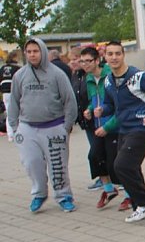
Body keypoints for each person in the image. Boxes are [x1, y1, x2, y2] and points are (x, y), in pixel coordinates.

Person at [95, 41, 145, 223]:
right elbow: (112, 105)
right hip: (123, 129)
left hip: (142, 128)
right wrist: (102, 110)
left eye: (117, 54)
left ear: (123, 55)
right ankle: (140, 206)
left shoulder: (138, 77)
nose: (114, 57)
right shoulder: (109, 81)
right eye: (110, 54)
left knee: (121, 166)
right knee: (131, 168)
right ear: (105, 57)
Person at [7, 38, 78, 213]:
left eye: (35, 51)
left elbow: (69, 100)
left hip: (54, 126)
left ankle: (63, 196)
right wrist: (15, 128)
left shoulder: (57, 74)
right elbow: (14, 102)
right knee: (31, 162)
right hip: (28, 127)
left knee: (58, 165)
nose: (32, 54)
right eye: (29, 51)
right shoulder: (20, 75)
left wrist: (67, 125)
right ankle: (39, 193)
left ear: (43, 52)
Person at [79, 46, 121, 210]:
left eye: (88, 61)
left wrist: (108, 122)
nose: (85, 64)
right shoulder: (89, 79)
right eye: (82, 61)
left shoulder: (110, 75)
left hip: (113, 126)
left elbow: (115, 103)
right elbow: (93, 101)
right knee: (94, 156)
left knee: (115, 163)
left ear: (97, 60)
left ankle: (131, 196)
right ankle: (109, 190)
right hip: (98, 126)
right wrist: (89, 110)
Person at [1, 49, 21, 140]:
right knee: (18, 112)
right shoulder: (17, 68)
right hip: (14, 91)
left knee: (9, 113)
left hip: (5, 92)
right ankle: (18, 132)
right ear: (14, 57)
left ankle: (10, 135)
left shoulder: (2, 68)